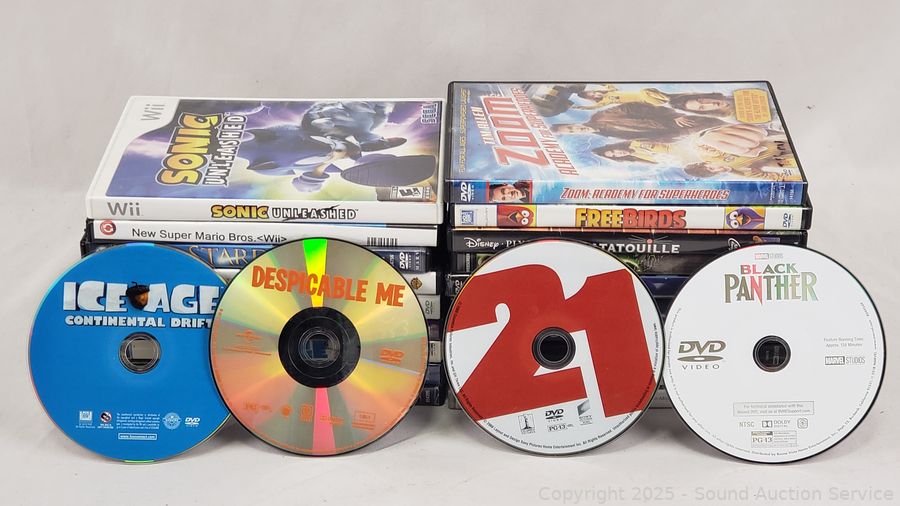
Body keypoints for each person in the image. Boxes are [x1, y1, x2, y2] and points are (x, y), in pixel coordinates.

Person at [552, 103, 727, 142]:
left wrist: (673, 114)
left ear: (573, 122)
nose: (576, 130)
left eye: (571, 127)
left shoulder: (602, 116)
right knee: (721, 134)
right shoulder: (605, 135)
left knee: (722, 122)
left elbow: (639, 107)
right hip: (679, 133)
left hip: (681, 121)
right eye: (572, 132)